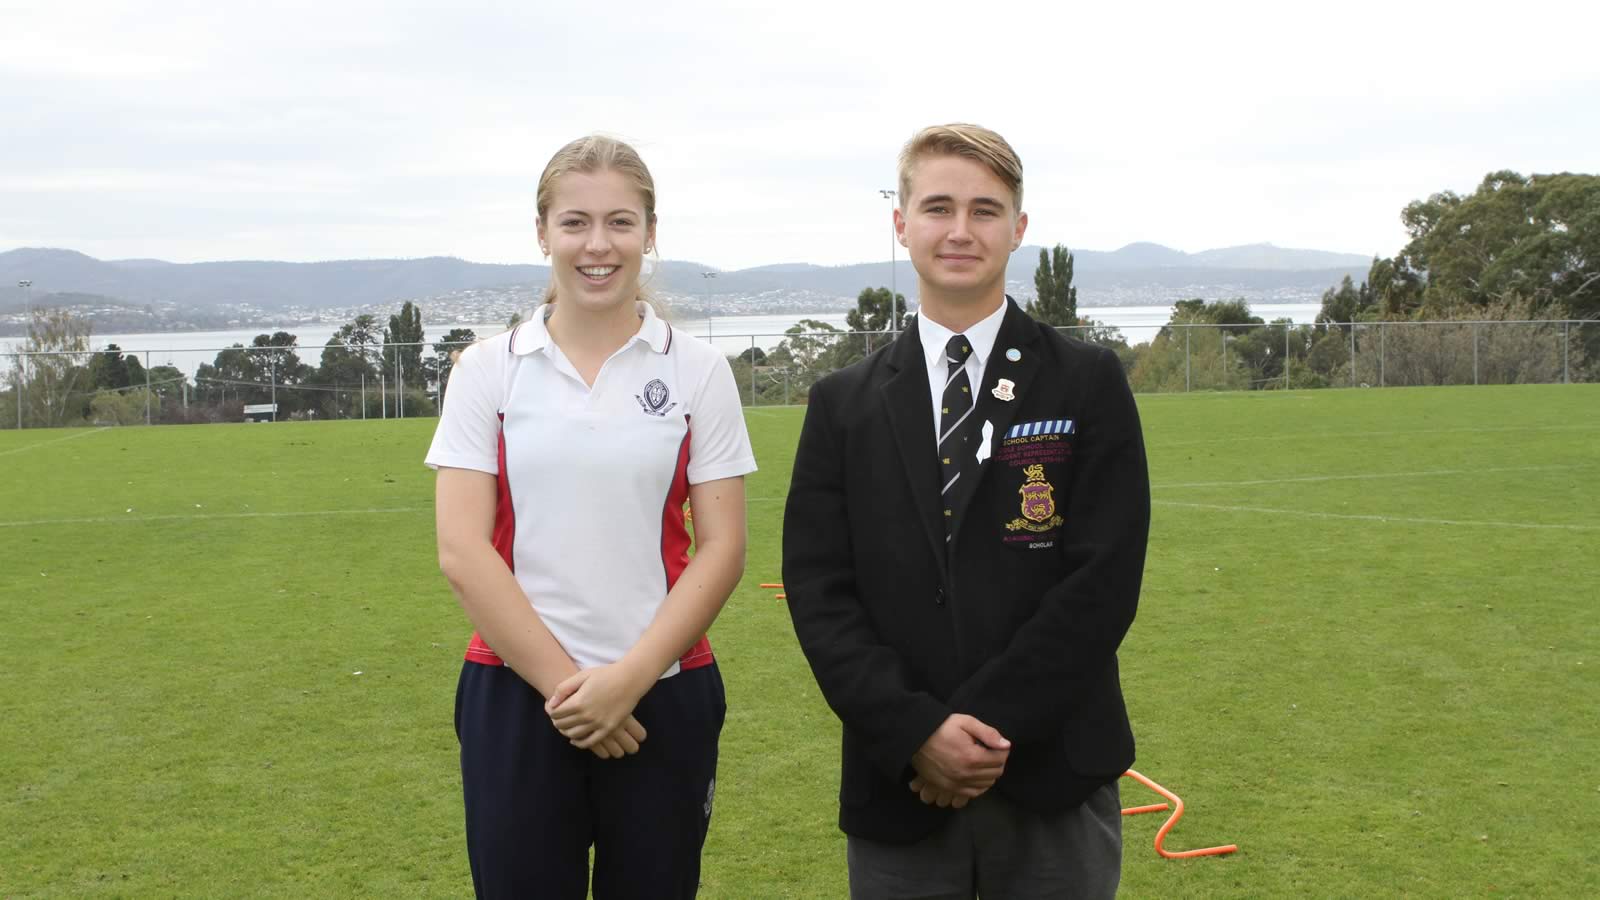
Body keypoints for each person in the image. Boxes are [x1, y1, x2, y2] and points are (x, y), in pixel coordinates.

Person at [782, 123, 1150, 898]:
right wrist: (917, 733)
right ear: (901, 223)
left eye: (985, 210)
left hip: (1055, 776)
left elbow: (1103, 582)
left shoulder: (1086, 382)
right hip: (900, 786)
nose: (959, 230)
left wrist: (982, 732)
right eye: (938, 206)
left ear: (1019, 227)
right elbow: (820, 594)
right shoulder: (841, 405)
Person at [426, 134, 756, 899]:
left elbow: (724, 547)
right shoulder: (487, 370)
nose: (597, 245)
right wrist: (570, 691)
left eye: (620, 222)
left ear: (649, 232)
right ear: (542, 232)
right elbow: (461, 549)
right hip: (514, 695)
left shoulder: (698, 371)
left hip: (664, 692)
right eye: (575, 223)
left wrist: (628, 681)